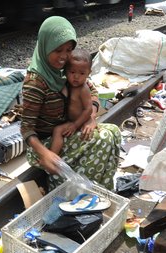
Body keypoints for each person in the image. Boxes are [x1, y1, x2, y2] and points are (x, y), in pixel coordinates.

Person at [20, 16, 121, 191]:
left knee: (114, 133)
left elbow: (93, 91)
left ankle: (97, 189)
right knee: (103, 139)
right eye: (57, 50)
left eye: (68, 50)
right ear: (45, 46)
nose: (64, 56)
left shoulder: (65, 71)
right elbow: (26, 128)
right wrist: (46, 154)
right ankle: (73, 190)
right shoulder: (36, 82)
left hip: (66, 131)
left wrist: (91, 117)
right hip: (45, 145)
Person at [50, 48, 93, 157]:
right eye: (72, 72)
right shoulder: (66, 84)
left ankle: (52, 157)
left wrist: (75, 125)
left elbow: (88, 109)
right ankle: (53, 157)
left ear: (89, 73)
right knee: (57, 130)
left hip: (80, 122)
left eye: (82, 73)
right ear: (65, 71)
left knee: (58, 130)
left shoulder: (83, 89)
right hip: (71, 121)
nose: (76, 77)